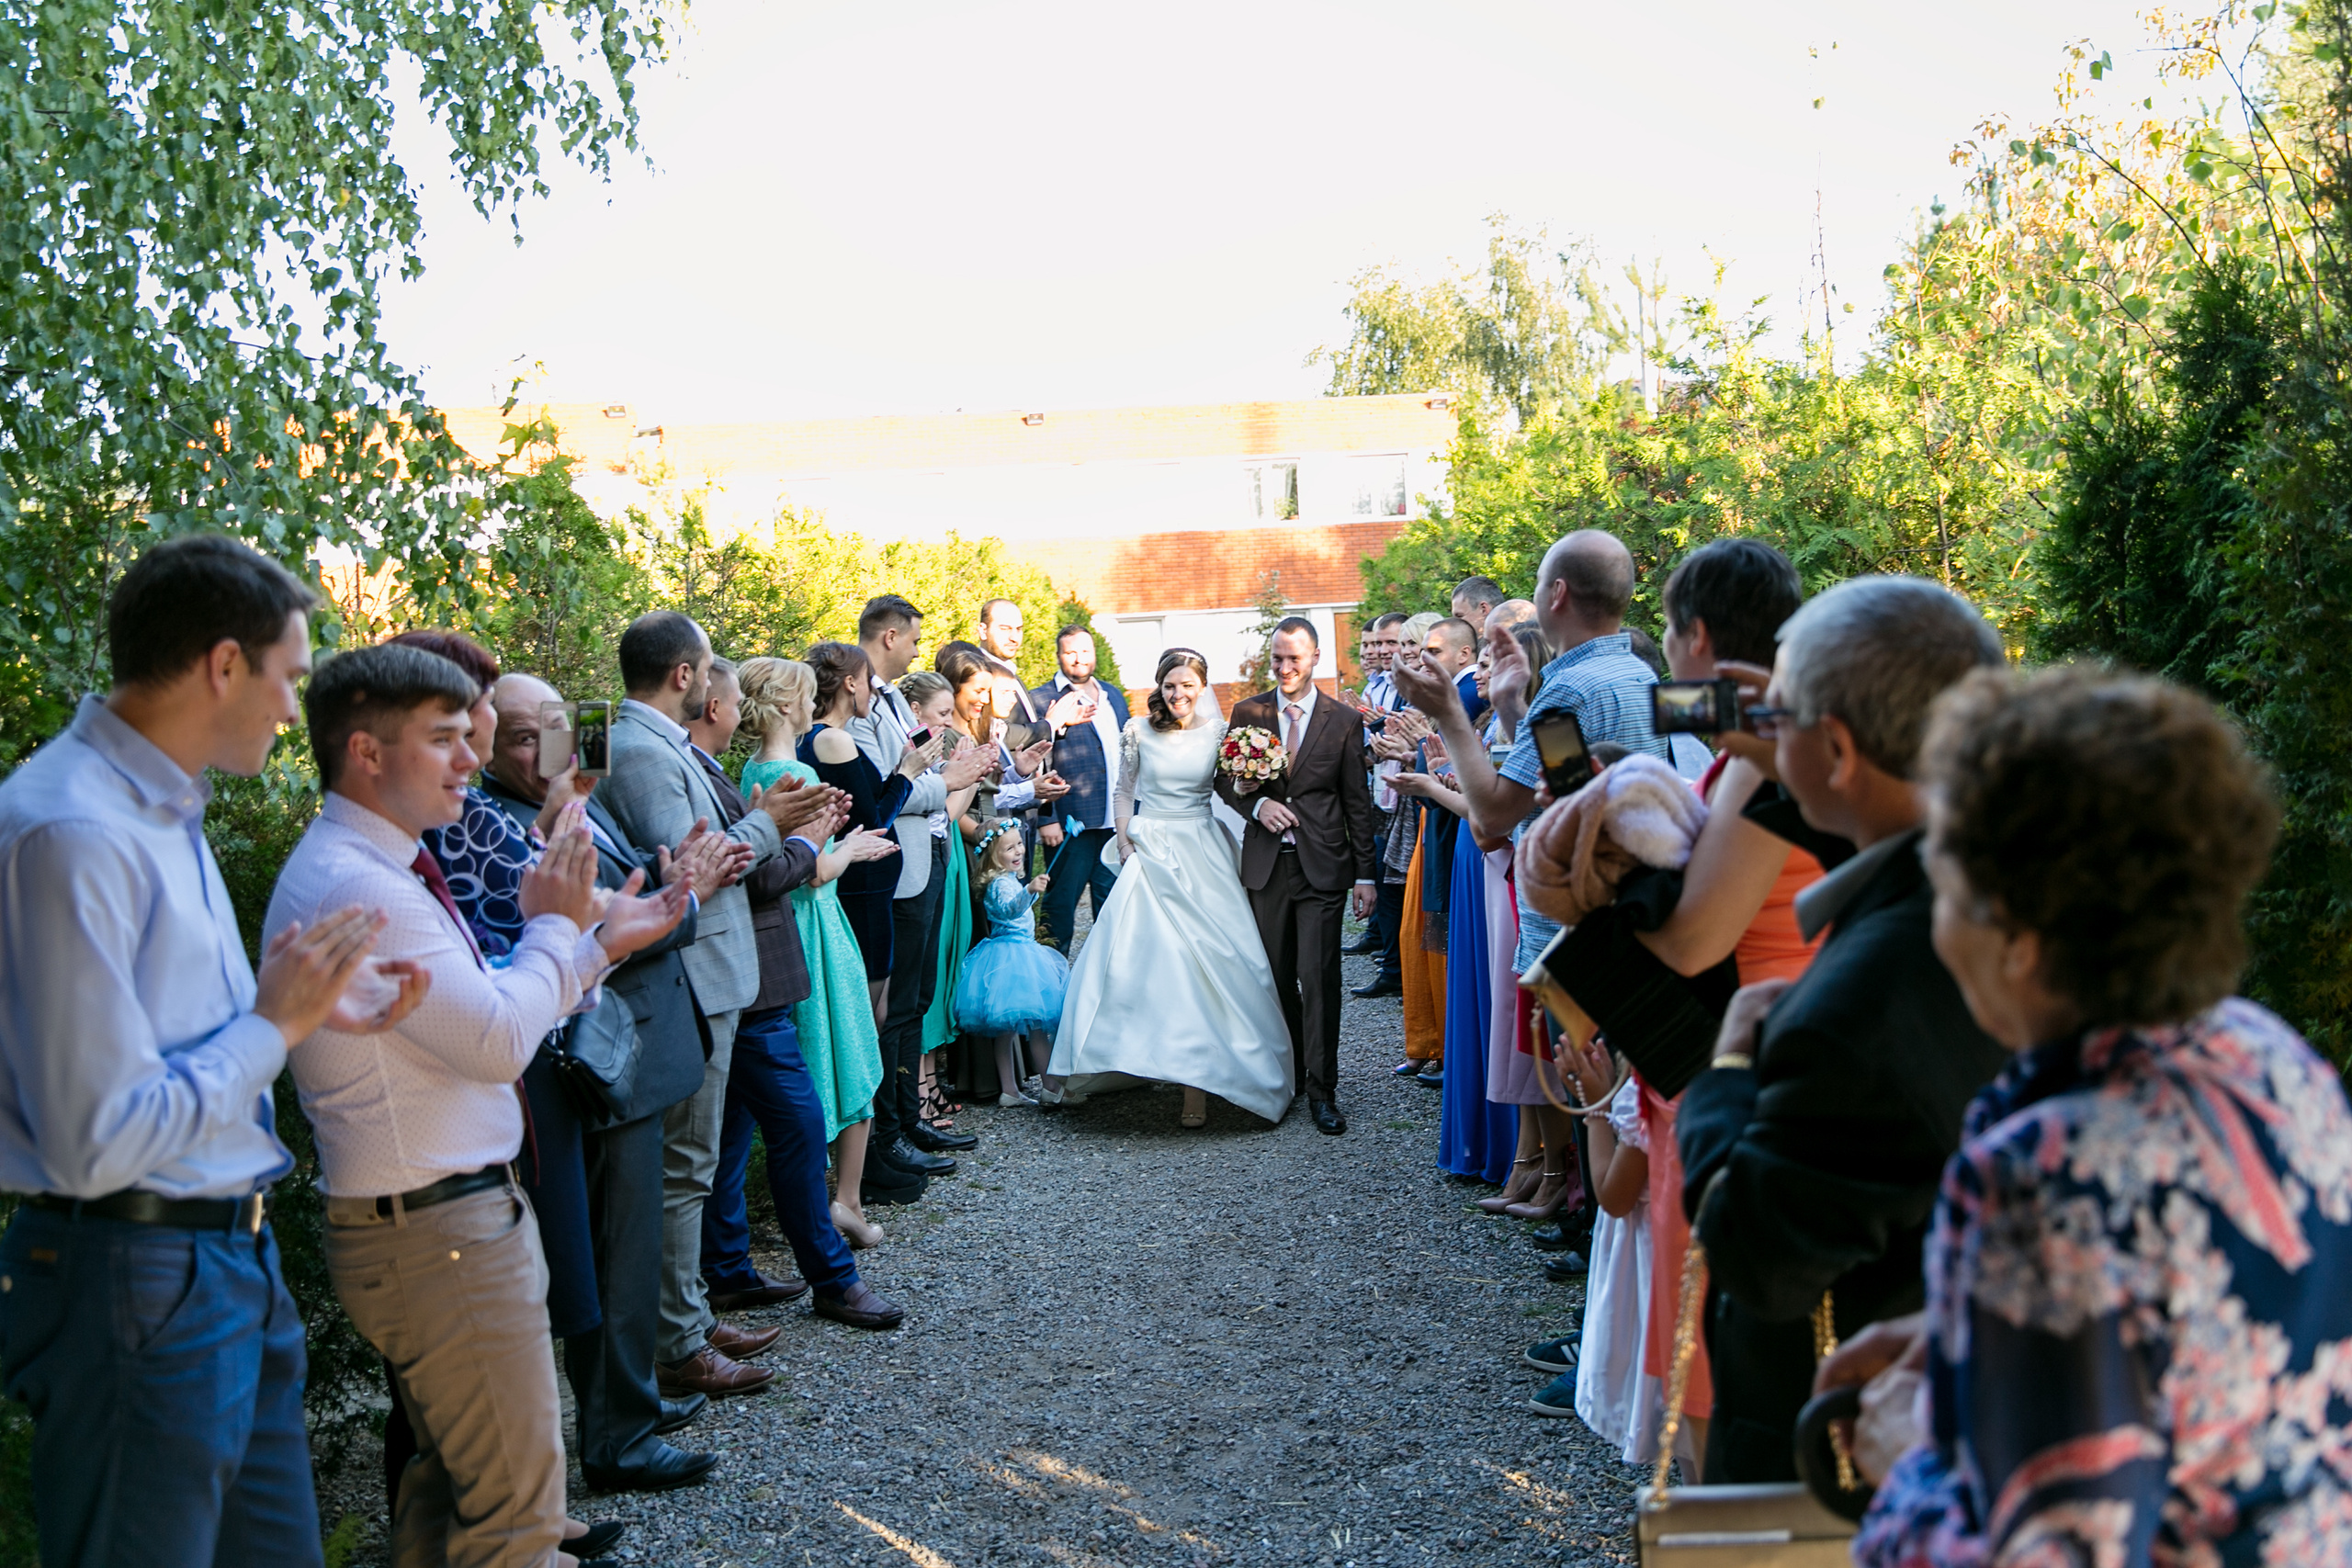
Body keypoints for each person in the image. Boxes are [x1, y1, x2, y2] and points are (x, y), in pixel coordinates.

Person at [1821, 664, 2352, 1567]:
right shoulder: (2269, 1059)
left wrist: (1911, 1456)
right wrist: (1974, 1334)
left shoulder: (2042, 1173)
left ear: (2017, 938)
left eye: (1940, 883)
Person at [0, 536, 423, 1568]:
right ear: (223, 664)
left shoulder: (159, 807)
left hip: (221, 1261)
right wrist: (271, 1023)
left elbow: (176, 1037)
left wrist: (310, 1007)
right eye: (288, 676)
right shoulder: (71, 830)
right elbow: (99, 1139)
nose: (291, 709)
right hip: (137, 1274)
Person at [266, 641, 689, 1565]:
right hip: (439, 1233)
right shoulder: (366, 884)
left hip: (430, 1224)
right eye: (446, 738)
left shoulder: (375, 863)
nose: (473, 758)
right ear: (366, 753)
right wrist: (558, 926)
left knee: (449, 1502)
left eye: (472, 733)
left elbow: (482, 1011)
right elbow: (499, 1040)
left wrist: (595, 947)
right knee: (514, 1529)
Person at [1673, 575, 2010, 1484]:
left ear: (1839, 746)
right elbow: (1873, 839)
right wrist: (1794, 750)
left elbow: (1755, 1252)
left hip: (1842, 1451)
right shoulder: (1989, 879)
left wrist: (1727, 1069)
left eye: (1778, 716)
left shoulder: (1855, 1011)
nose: (1764, 731)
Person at [415, 644, 735, 1508]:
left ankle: (628, 1406)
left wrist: (664, 877)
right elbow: (590, 931)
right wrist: (681, 897)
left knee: (624, 1252)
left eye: (553, 729)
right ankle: (616, 1434)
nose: (540, 749)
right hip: (580, 1066)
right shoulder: (487, 821)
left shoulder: (572, 802)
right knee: (605, 1257)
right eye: (518, 735)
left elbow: (627, 885)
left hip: (626, 1050)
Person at [596, 613, 842, 1401]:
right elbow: (701, 864)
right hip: (691, 976)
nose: (713, 684)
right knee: (685, 1168)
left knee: (699, 1162)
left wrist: (766, 824)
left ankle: (693, 1317)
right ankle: (678, 1341)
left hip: (712, 976)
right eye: (707, 670)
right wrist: (774, 826)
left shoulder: (659, 742)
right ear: (683, 675)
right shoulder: (639, 750)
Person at [683, 659, 906, 1337]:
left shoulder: (722, 769)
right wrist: (818, 843)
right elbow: (759, 874)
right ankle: (833, 1278)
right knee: (800, 1124)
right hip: (753, 971)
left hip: (744, 972)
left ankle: (727, 1268)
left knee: (732, 1128)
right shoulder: (722, 772)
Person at [1049, 649, 1296, 1129]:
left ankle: (1197, 1084)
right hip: (1150, 849)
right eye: (1169, 686)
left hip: (1202, 851)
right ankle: (1120, 1059)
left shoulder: (1220, 734)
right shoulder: (1137, 731)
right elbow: (1124, 791)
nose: (1178, 694)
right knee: (1138, 963)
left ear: (1202, 687)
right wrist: (1126, 844)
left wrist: (1249, 788)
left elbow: (1228, 789)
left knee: (1207, 965)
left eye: (1186, 685)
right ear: (1159, 687)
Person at [737, 657, 898, 1249]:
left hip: (785, 929)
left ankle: (813, 1201)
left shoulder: (753, 768)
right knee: (850, 1052)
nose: (812, 705)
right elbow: (812, 871)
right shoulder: (797, 773)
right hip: (815, 927)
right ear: (786, 706)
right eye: (805, 697)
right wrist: (852, 849)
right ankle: (845, 1201)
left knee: (810, 1061)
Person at [844, 598, 995, 1188]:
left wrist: (950, 774)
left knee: (916, 998)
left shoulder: (884, 699)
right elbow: (885, 790)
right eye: (911, 640)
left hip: (925, 855)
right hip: (896, 865)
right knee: (897, 1004)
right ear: (889, 636)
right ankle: (888, 1134)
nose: (915, 652)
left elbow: (911, 773)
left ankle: (908, 1121)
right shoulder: (859, 706)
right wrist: (948, 781)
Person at [1216, 619, 1379, 1136]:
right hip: (1267, 866)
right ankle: (1288, 1075)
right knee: (1276, 975)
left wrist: (1366, 875)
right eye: (1278, 659)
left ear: (1315, 658)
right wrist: (1256, 803)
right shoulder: (1249, 713)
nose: (1285, 668)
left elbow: (1357, 801)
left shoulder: (1343, 720)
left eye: (1295, 658)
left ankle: (1323, 1090)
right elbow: (1223, 780)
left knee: (1320, 975)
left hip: (1323, 867)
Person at [953, 821, 1071, 1106]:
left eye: (1019, 844)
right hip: (1013, 959)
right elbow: (1009, 910)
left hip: (1014, 956)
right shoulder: (999, 884)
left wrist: (1027, 889)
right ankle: (1050, 1088)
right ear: (993, 856)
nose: (1018, 851)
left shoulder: (1007, 878)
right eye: (1009, 848)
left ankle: (1010, 1091)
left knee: (1006, 1034)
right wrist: (1029, 890)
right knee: (1037, 1027)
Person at [1031, 625, 1131, 954]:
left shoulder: (1113, 695)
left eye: (1085, 651)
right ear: (1059, 655)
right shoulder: (1042, 699)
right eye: (1070, 652)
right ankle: (1051, 975)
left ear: (1094, 653)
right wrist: (1046, 817)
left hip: (1114, 825)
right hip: (1070, 826)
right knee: (1059, 912)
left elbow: (1128, 755)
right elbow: (1036, 762)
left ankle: (1109, 976)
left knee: (1114, 911)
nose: (1078, 658)